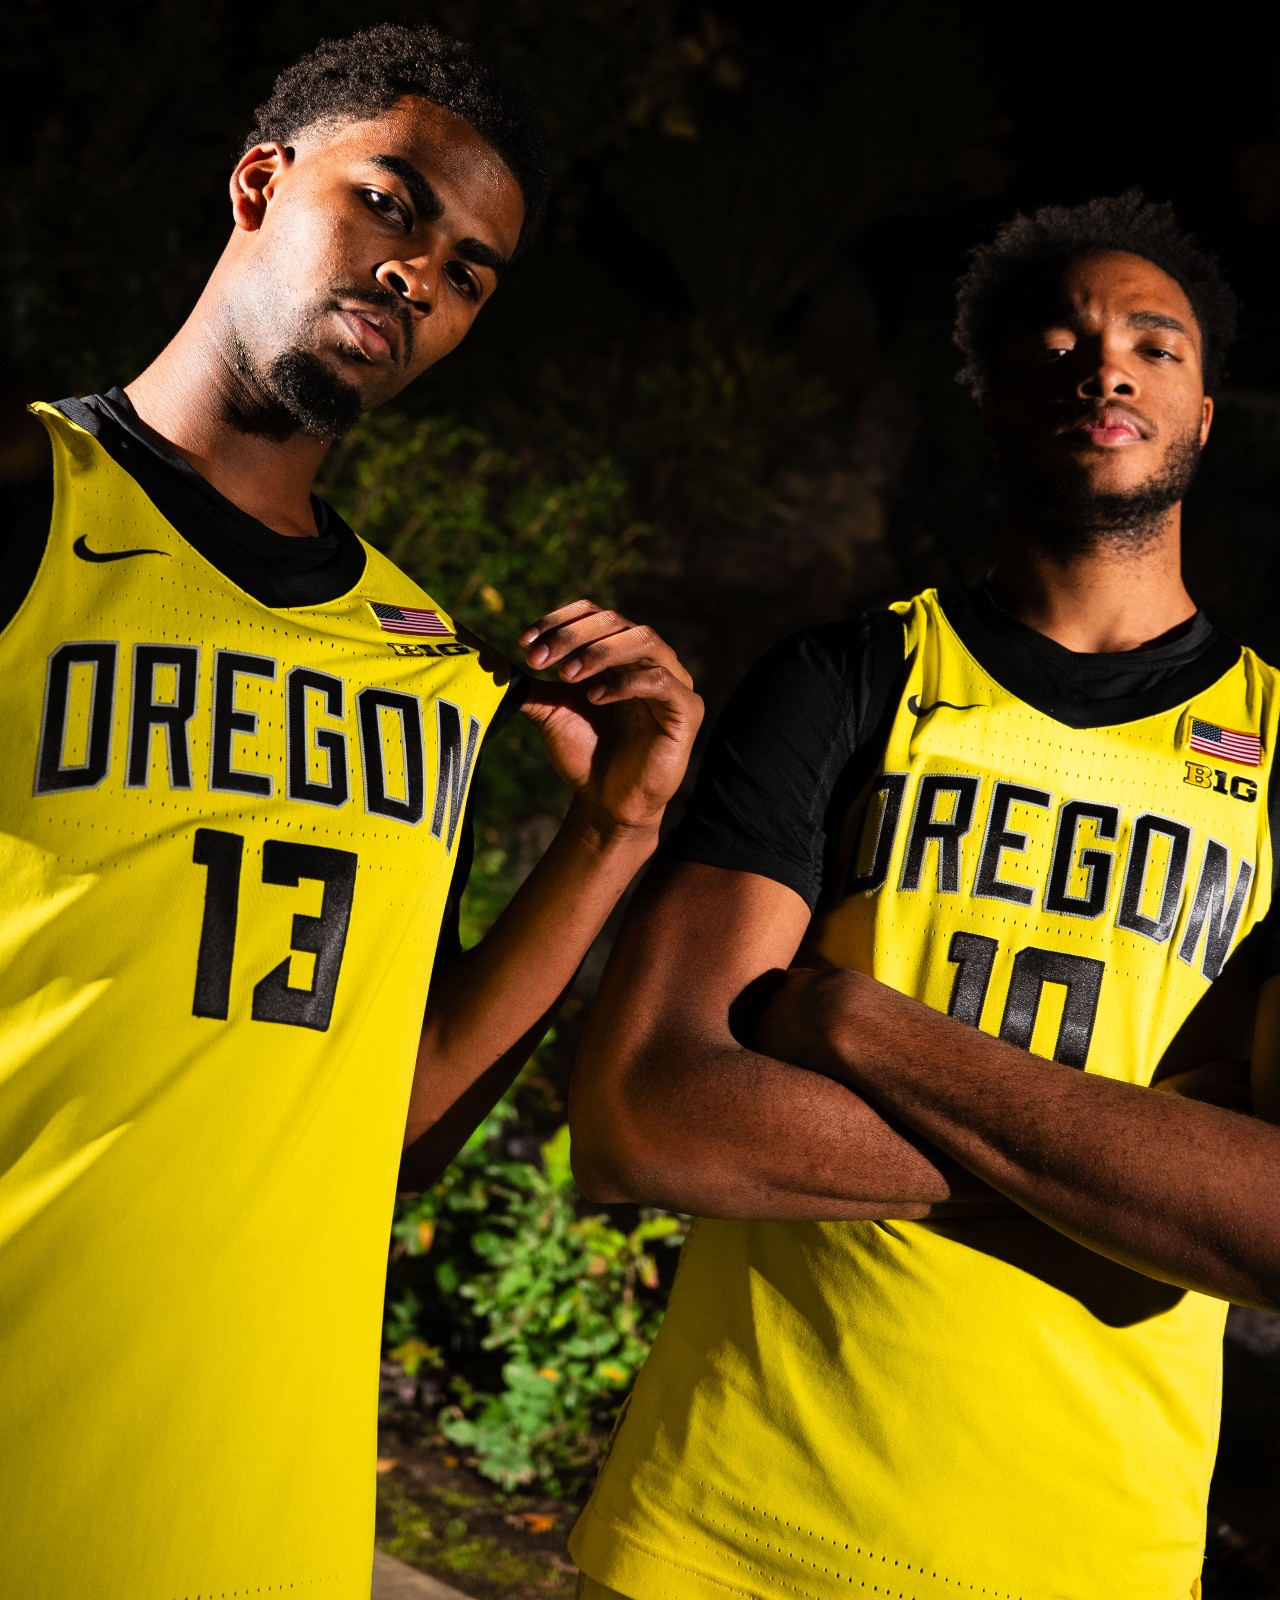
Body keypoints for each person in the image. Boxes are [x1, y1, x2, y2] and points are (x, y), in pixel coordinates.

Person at [0, 24, 701, 1600]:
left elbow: (402, 1119)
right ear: (261, 181)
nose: (418, 275)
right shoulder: (35, 503)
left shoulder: (424, 660)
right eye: (391, 204)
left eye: (468, 272)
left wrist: (615, 832)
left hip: (262, 1530)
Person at [568, 191, 1280, 1600]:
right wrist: (1136, 1173)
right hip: (725, 1529)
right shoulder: (845, 683)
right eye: (1060, 342)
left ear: (1202, 417)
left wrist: (857, 1027)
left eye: (1155, 344)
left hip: (1086, 1560)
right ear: (992, 398)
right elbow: (645, 1115)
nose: (1108, 367)